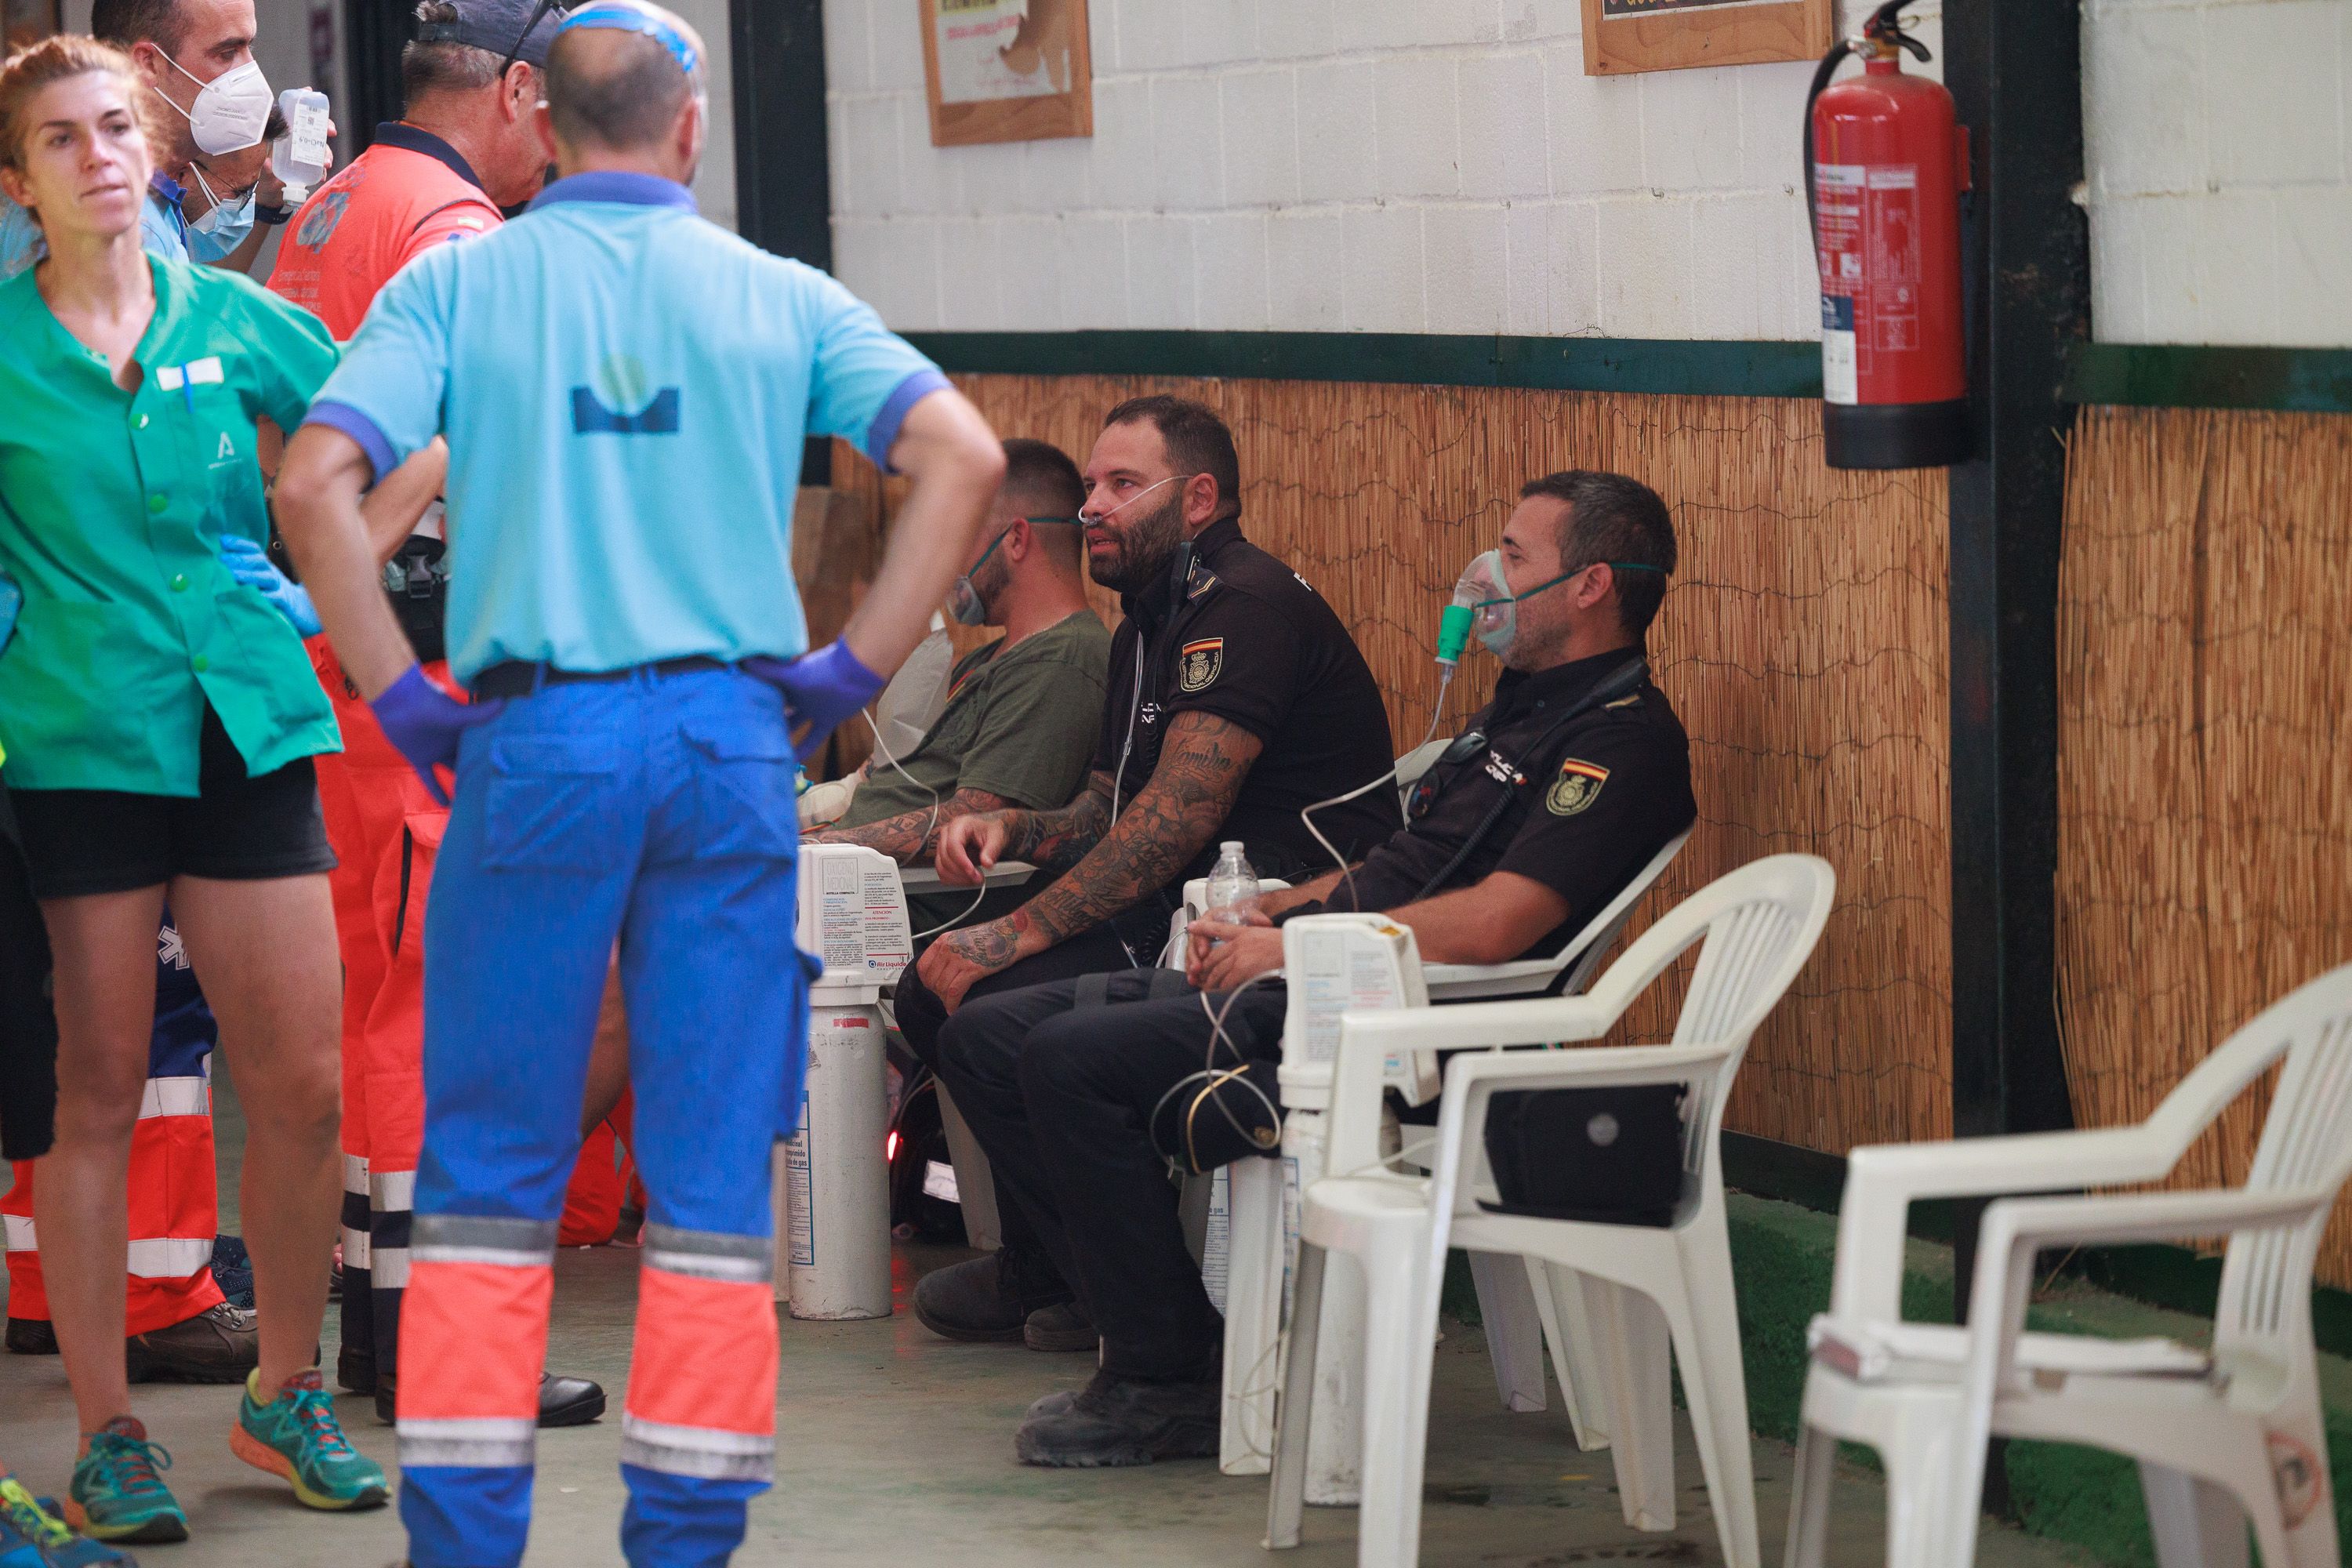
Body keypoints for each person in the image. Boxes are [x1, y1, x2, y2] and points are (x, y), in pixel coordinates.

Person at [271, 5, 1005, 1563]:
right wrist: (846, 671)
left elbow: (315, 481)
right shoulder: (778, 294)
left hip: (536, 741)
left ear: (543, 127)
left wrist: (398, 692)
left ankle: (465, 1533)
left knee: (484, 1165)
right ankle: (686, 1534)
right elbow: (964, 459)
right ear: (692, 128)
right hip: (729, 750)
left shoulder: (462, 281)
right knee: (710, 1161)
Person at [933, 470, 1697, 1467]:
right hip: (1322, 976)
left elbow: (1504, 919)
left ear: (1592, 584)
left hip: (1403, 1033)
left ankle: (1164, 1378)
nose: (1487, 574)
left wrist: (1291, 946)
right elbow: (1400, 867)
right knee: (985, 1032)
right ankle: (1160, 1323)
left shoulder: (1620, 736)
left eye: (1514, 555)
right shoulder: (1515, 709)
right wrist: (1268, 904)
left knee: (1071, 1058)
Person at [0, 34, 426, 1543]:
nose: (101, 154)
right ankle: (110, 1428)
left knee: (301, 1090)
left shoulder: (234, 317)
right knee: (98, 1091)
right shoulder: (0, 354)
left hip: (244, 726)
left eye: (118, 125)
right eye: (63, 138)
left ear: (150, 148)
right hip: (80, 749)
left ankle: (284, 1393)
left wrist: (330, 573)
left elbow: (397, 435)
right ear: (21, 181)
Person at [259, 0, 604, 1431]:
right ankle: (434, 1353)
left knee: (370, 1008)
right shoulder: (461, 232)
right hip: (409, 674)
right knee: (432, 1012)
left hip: (334, 690)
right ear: (516, 92)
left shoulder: (329, 210)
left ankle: (382, 1339)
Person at [893, 394, 1397, 1351]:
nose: (1093, 508)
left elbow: (1175, 826)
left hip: (1271, 932)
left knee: (987, 1010)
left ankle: (1140, 1311)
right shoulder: (1143, 625)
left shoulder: (1241, 608)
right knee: (933, 993)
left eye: (1122, 486)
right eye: (1088, 486)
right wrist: (1014, 827)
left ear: (1198, 496)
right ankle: (1058, 1269)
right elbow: (1109, 808)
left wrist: (1017, 929)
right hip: (1174, 911)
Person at [809, 436, 1110, 931]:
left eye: (958, 533)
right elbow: (898, 781)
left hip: (882, 916)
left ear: (1016, 539)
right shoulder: (988, 659)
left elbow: (974, 819)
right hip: (832, 889)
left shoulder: (1063, 661)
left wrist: (812, 853)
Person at [0, 0, 319, 277]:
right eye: (226, 53)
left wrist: (265, 199)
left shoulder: (150, 197)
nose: (251, 73)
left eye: (250, 48)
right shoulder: (109, 210)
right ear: (148, 63)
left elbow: (188, 303)